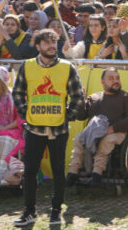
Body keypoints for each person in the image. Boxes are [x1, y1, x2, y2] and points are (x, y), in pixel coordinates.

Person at [12, 29, 85, 227]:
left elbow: (78, 97)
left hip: (59, 130)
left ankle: (55, 211)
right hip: (34, 129)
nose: (52, 46)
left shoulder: (66, 67)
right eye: (47, 43)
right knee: (30, 171)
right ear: (38, 46)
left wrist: (65, 117)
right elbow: (17, 93)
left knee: (58, 171)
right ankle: (29, 211)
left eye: (54, 42)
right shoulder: (26, 67)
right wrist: (26, 114)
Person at [66, 68, 128, 186]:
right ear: (102, 82)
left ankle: (96, 175)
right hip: (95, 131)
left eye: (117, 78)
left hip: (117, 132)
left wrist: (112, 129)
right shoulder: (94, 98)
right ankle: (72, 173)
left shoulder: (127, 98)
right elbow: (81, 117)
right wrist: (81, 101)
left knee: (106, 141)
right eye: (111, 78)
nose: (115, 81)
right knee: (79, 138)